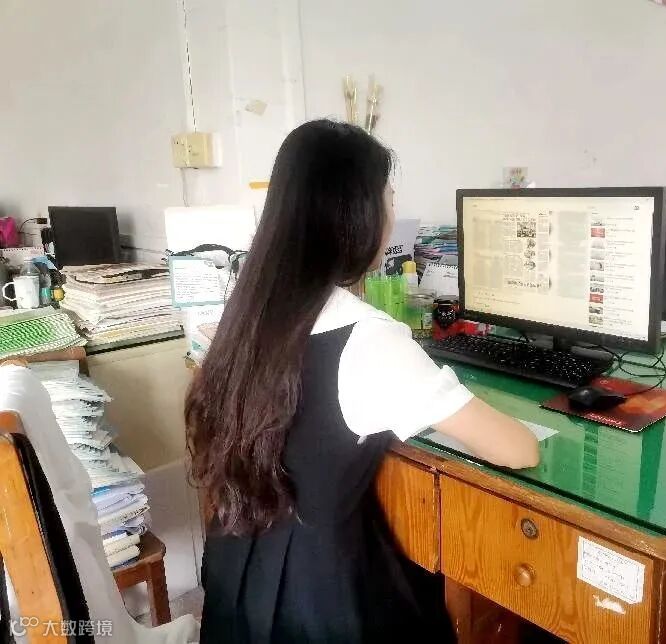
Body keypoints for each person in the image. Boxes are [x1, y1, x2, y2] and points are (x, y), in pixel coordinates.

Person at [185, 119, 539, 644]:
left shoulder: (245, 314)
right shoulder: (369, 338)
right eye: (388, 200)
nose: (392, 216)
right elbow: (517, 449)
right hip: (324, 605)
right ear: (356, 218)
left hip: (239, 585)